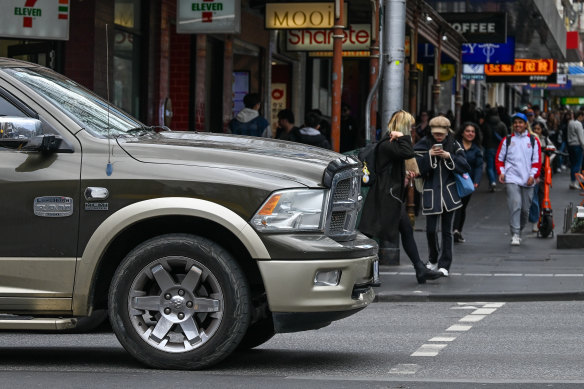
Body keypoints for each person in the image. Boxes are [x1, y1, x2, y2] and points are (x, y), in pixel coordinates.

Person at [359, 110, 443, 284]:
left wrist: (405, 175)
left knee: (402, 231)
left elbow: (398, 162)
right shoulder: (389, 143)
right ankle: (366, 275)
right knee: (371, 235)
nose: (412, 131)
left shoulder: (392, 143)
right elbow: (407, 152)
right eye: (410, 127)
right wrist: (401, 137)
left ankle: (419, 269)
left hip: (389, 195)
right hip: (385, 196)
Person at [414, 116, 471, 277]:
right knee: (431, 230)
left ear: (447, 132)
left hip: (449, 194)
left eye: (441, 134)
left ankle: (445, 264)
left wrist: (448, 156)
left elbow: (465, 166)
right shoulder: (424, 143)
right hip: (431, 193)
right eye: (436, 133)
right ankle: (433, 259)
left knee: (447, 231)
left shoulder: (454, 144)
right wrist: (429, 155)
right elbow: (415, 167)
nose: (438, 137)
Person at [495, 112, 542, 246]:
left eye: (520, 122)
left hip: (528, 179)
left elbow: (537, 160)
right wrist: (502, 172)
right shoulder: (507, 140)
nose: (517, 125)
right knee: (515, 205)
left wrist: (533, 175)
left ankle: (519, 229)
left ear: (525, 124)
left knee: (525, 209)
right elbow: (499, 159)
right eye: (515, 122)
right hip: (512, 178)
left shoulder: (533, 140)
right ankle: (515, 233)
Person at [453, 122, 484, 243]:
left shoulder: (477, 150)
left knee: (462, 206)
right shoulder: (455, 146)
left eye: (473, 131)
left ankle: (457, 230)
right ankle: (454, 229)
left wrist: (476, 181)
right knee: (455, 205)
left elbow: (479, 166)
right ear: (462, 132)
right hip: (454, 179)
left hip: (468, 182)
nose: (470, 133)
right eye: (467, 131)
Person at [482, 107, 508, 192]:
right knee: (497, 166)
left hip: (489, 147)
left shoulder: (486, 124)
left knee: (489, 166)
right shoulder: (502, 124)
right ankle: (495, 180)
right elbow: (505, 137)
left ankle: (492, 181)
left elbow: (483, 137)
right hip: (499, 149)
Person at [567, 110, 584, 189]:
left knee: (573, 164)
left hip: (570, 145)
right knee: (577, 165)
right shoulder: (579, 124)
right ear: (580, 116)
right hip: (577, 145)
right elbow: (581, 138)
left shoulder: (570, 123)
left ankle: (572, 182)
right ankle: (575, 183)